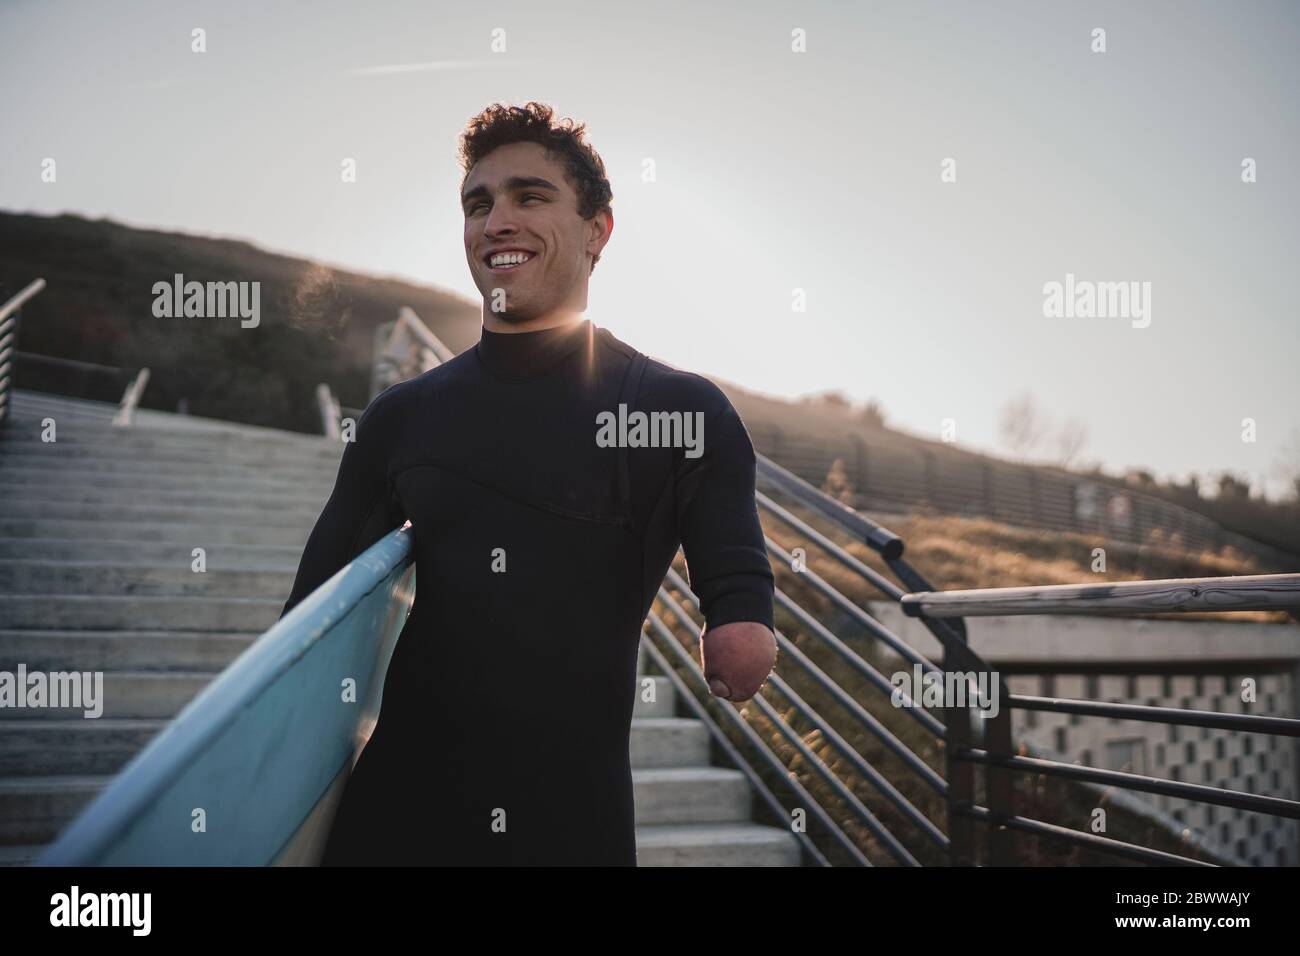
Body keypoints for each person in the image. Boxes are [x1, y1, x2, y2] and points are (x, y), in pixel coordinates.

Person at [279, 101, 777, 865]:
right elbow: (306, 625)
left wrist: (741, 616)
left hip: (570, 825)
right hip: (394, 821)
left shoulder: (678, 409)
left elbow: (736, 579)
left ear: (597, 230)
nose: (495, 221)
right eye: (478, 204)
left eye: (529, 197)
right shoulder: (401, 418)